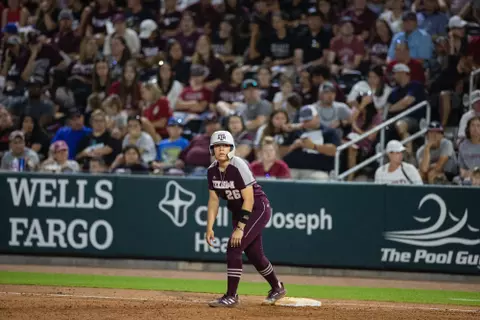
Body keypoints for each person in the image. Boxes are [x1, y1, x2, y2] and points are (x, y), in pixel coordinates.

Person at [206, 130, 286, 307]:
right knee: (255, 255)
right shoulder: (211, 171)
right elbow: (213, 200)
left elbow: (249, 199)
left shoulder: (238, 165)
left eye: (225, 145)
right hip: (238, 211)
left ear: (231, 148)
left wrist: (240, 228)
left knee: (234, 247)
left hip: (257, 208)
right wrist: (209, 227)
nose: (221, 149)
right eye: (217, 146)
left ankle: (231, 296)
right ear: (212, 149)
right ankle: (277, 287)